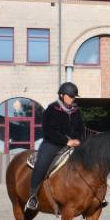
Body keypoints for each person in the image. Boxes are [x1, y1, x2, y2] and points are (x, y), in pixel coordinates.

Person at [26, 82, 85, 211]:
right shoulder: (52, 109)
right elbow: (47, 129)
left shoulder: (75, 111)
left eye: (74, 96)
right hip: (52, 143)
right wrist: (66, 141)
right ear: (62, 95)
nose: (73, 99)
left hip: (74, 144)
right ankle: (33, 196)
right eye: (70, 96)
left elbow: (81, 128)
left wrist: (79, 140)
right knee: (42, 163)